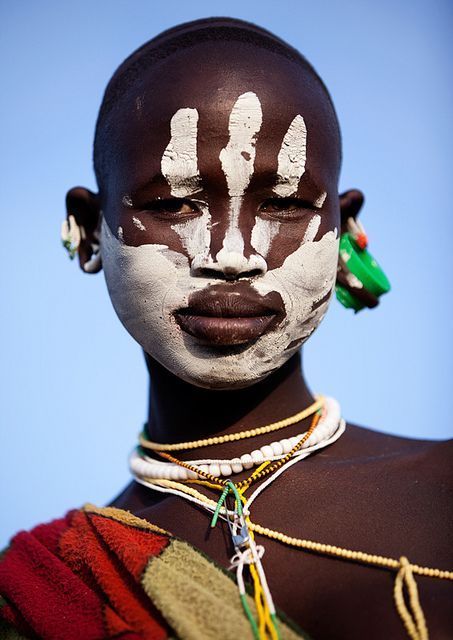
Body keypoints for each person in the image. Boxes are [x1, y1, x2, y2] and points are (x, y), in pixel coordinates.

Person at [1, 17, 452, 640]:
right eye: (174, 205)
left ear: (343, 232)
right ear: (89, 229)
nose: (233, 254)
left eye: (286, 204)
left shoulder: (441, 496)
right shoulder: (51, 590)